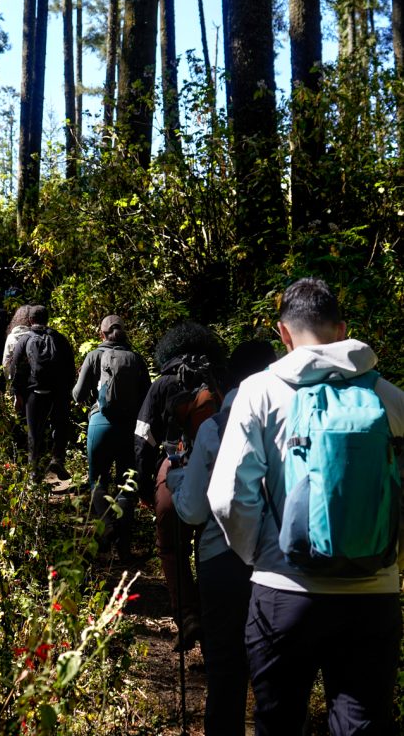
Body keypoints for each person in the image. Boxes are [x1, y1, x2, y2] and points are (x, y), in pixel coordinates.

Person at [208, 277, 404, 736]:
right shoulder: (389, 397)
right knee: (364, 727)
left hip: (284, 592)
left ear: (283, 333)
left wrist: (259, 555)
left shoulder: (258, 390)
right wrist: (392, 560)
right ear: (343, 330)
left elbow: (226, 494)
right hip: (373, 595)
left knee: (279, 723)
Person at [169, 339, 276, 736]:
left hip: (221, 563)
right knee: (276, 682)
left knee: (226, 677)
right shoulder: (289, 420)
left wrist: (177, 478)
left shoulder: (215, 428)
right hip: (275, 565)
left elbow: (193, 510)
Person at [134, 321, 227, 649]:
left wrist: (144, 488)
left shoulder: (161, 384)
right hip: (217, 474)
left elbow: (143, 439)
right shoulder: (219, 381)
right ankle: (215, 615)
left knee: (171, 547)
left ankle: (187, 615)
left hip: (174, 472)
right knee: (209, 542)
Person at [73, 314, 151, 557]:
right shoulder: (136, 359)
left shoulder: (94, 356)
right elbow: (148, 396)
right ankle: (124, 545)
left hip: (100, 425)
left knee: (98, 480)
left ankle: (106, 529)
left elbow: (77, 394)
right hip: (129, 428)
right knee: (127, 483)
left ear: (102, 334)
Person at [8, 305, 76, 479]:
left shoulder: (24, 339)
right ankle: (57, 459)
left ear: (30, 320)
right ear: (47, 319)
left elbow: (15, 367)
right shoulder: (60, 338)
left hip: (34, 393)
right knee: (60, 426)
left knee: (34, 431)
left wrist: (17, 393)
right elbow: (70, 367)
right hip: (58, 392)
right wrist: (67, 391)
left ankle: (34, 470)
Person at [2, 304, 32, 374]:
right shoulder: (36, 336)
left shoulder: (11, 336)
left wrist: (9, 380)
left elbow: (6, 362)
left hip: (16, 376)